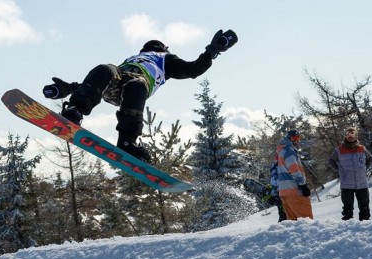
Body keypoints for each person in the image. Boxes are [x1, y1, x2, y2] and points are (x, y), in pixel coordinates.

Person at [42, 29, 238, 163]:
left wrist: (212, 51)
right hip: (117, 81)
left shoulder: (167, 59)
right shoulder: (133, 58)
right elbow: (96, 82)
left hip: (134, 91)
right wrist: (68, 89)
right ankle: (75, 110)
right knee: (105, 68)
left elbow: (193, 69)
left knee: (136, 84)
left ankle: (127, 141)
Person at [328, 127, 372, 221]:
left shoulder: (362, 148)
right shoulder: (339, 150)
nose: (350, 136)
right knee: (347, 209)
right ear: (345, 136)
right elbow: (331, 161)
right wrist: (340, 170)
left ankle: (365, 225)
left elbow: (370, 159)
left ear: (356, 136)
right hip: (346, 184)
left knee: (364, 206)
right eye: (348, 134)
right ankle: (348, 228)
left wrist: (364, 168)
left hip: (362, 183)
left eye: (352, 134)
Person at [275, 129, 314, 220]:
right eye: (294, 137)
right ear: (289, 138)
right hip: (294, 191)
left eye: (298, 137)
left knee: (293, 224)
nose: (296, 140)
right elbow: (294, 169)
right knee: (307, 221)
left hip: (284, 192)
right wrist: (303, 185)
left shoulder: (281, 150)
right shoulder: (289, 149)